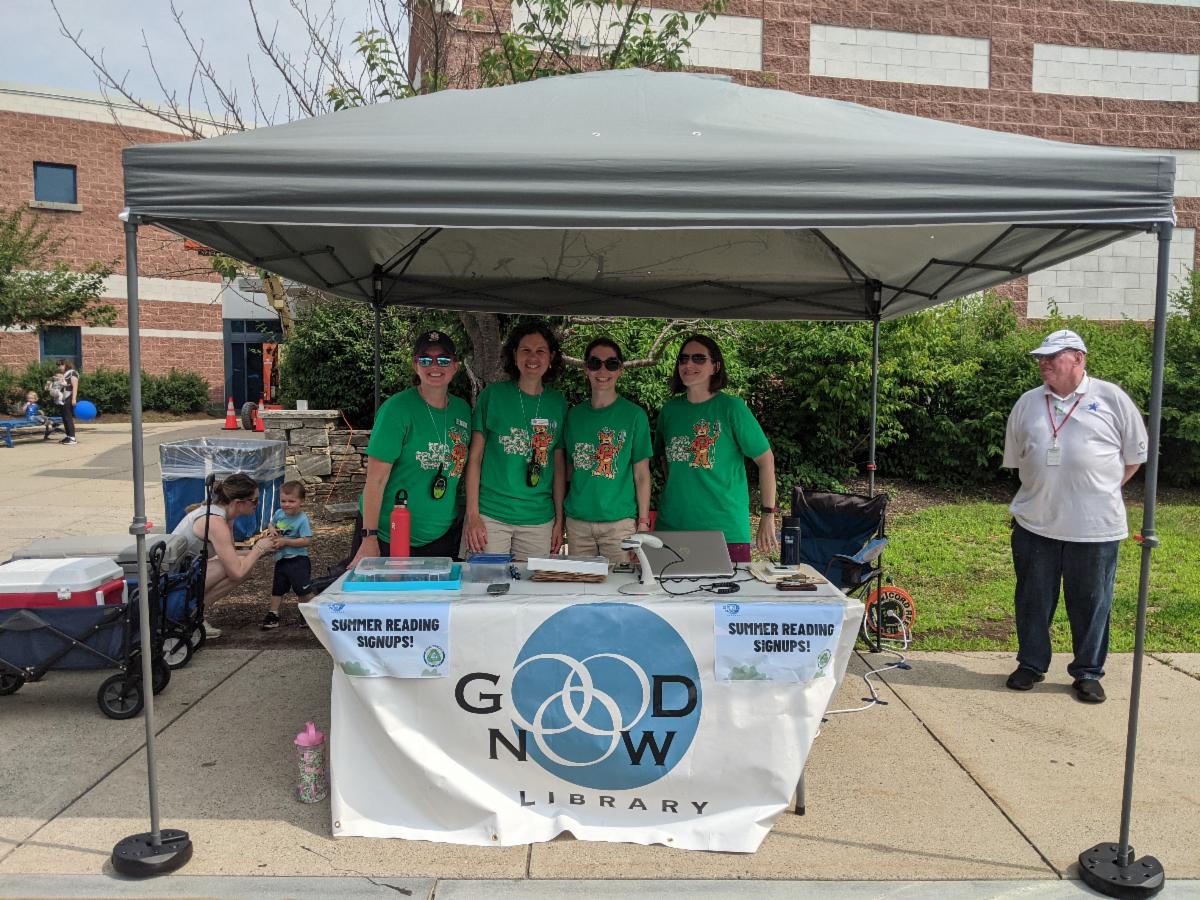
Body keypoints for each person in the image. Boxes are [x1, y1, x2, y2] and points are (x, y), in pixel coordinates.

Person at [1002, 329, 1147, 704]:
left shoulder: (1111, 398)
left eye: (1053, 356)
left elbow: (1134, 457)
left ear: (1079, 358)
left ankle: (1087, 673)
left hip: (1095, 528)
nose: (1043, 363)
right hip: (1035, 523)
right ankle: (1031, 664)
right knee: (1032, 599)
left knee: (1092, 602)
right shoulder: (1028, 403)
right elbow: (1018, 458)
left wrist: (1098, 488)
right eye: (1041, 357)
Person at [349, 330, 473, 566]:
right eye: (426, 359)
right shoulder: (397, 410)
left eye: (443, 360)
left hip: (441, 537)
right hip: (389, 535)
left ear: (455, 366)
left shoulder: (463, 410)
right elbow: (375, 480)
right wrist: (369, 537)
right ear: (416, 365)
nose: (434, 366)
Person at [654, 334, 778, 563]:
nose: (689, 364)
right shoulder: (669, 411)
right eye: (683, 359)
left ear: (715, 366)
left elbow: (765, 460)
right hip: (673, 528)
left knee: (726, 598)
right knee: (668, 598)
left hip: (725, 531)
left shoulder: (732, 408)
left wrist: (768, 515)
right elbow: (663, 458)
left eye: (699, 358)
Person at [463, 321, 567, 560]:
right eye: (526, 350)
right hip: (491, 515)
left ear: (551, 357)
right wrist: (473, 515)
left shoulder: (558, 404)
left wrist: (559, 521)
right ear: (514, 354)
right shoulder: (494, 395)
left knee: (531, 594)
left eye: (540, 351)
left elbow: (559, 468)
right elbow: (475, 458)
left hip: (538, 520)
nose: (533, 357)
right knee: (485, 586)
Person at [563, 338, 652, 565]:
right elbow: (568, 470)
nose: (602, 370)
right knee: (579, 591)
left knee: (620, 591)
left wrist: (642, 524)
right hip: (578, 524)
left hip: (619, 524)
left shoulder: (634, 415)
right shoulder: (573, 416)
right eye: (595, 363)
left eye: (611, 364)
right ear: (586, 369)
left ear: (620, 370)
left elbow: (641, 475)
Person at [170, 473, 280, 639]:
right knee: (239, 568)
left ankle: (194, 614)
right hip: (173, 582)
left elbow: (228, 553)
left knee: (243, 562)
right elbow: (236, 571)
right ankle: (190, 616)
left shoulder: (224, 515)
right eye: (255, 501)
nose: (257, 505)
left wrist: (264, 550)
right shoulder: (216, 522)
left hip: (184, 572)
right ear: (238, 502)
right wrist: (258, 549)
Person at [261, 480, 315, 630]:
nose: (286, 504)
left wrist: (285, 541)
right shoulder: (279, 514)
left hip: (298, 561)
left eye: (292, 501)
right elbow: (271, 523)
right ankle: (273, 613)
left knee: (302, 590)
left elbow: (306, 541)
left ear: (301, 501)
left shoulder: (302, 519)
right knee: (277, 588)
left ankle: (309, 612)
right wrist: (271, 529)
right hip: (281, 560)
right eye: (283, 501)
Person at [47, 359, 78, 445]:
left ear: (66, 365)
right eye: (58, 365)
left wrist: (74, 399)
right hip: (63, 398)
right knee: (64, 418)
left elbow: (75, 386)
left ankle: (72, 438)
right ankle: (68, 436)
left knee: (68, 417)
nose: (59, 367)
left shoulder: (72, 373)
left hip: (69, 397)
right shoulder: (64, 374)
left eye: (60, 365)